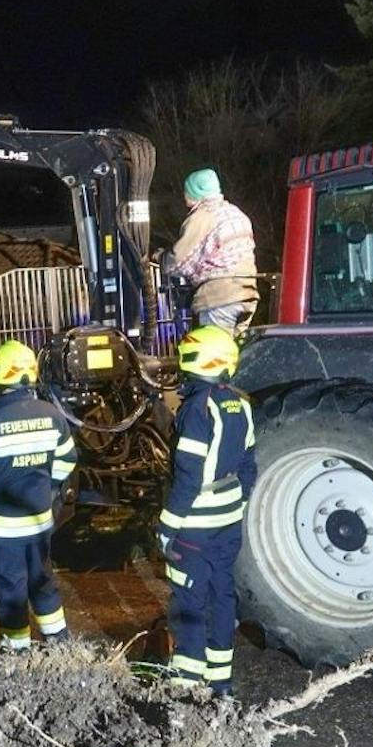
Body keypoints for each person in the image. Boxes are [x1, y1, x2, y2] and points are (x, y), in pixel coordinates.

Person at [157, 325, 257, 696]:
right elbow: (249, 464)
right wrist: (237, 501)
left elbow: (187, 476)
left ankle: (184, 688)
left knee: (189, 601)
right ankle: (221, 685)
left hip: (195, 525)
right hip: (228, 522)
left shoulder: (197, 409)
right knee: (221, 597)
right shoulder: (241, 404)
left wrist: (167, 526)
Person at [0, 340, 76, 651]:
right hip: (39, 521)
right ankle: (61, 646)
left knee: (11, 589)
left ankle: (17, 654)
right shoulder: (52, 414)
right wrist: (47, 490)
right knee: (43, 582)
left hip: (1, 528)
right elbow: (66, 462)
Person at [169, 168, 258, 334]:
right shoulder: (236, 213)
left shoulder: (202, 217)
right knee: (234, 353)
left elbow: (179, 263)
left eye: (186, 190)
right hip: (247, 294)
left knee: (213, 354)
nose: (184, 195)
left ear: (195, 192)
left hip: (220, 298)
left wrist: (161, 258)